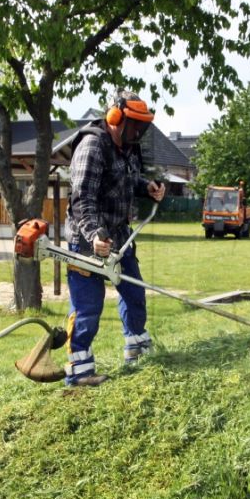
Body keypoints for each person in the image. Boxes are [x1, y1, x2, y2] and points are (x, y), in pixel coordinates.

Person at [64, 89, 166, 387]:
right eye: (134, 124)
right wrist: (95, 235)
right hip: (87, 241)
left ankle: (136, 349)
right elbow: (83, 200)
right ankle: (79, 370)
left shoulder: (129, 147)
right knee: (88, 307)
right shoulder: (93, 146)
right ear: (115, 117)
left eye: (141, 125)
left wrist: (147, 186)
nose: (138, 131)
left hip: (120, 238)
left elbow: (126, 179)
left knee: (135, 295)